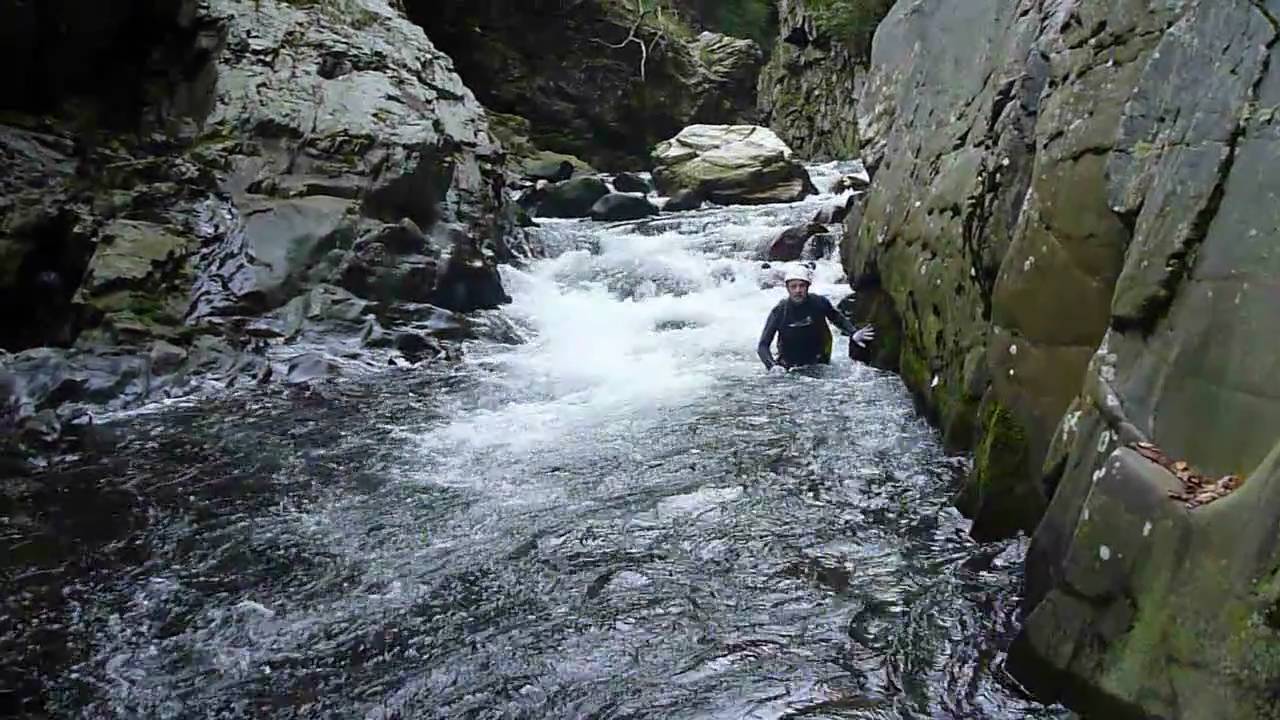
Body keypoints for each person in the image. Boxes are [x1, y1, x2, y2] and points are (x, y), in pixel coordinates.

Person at [757, 264, 875, 373]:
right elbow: (762, 346)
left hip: (819, 362)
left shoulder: (819, 303)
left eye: (802, 286)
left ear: (808, 286)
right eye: (793, 287)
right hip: (789, 365)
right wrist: (772, 366)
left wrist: (853, 333)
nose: (798, 290)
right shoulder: (779, 311)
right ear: (787, 288)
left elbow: (837, 319)